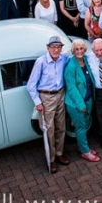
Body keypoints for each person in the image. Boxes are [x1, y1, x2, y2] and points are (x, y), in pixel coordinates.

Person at [26, 36, 70, 173]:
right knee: (48, 130)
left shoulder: (64, 58)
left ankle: (59, 154)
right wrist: (38, 102)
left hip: (60, 94)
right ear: (48, 48)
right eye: (53, 47)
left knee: (61, 127)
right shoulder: (41, 62)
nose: (56, 50)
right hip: (47, 97)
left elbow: (76, 57)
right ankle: (51, 160)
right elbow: (30, 85)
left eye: (58, 47)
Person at [63, 40, 100, 162]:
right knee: (81, 127)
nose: (79, 51)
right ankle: (85, 152)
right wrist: (81, 105)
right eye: (76, 49)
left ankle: (82, 147)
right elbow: (72, 88)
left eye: (81, 48)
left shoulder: (85, 61)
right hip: (76, 103)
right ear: (73, 51)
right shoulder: (71, 66)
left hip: (88, 99)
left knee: (85, 124)